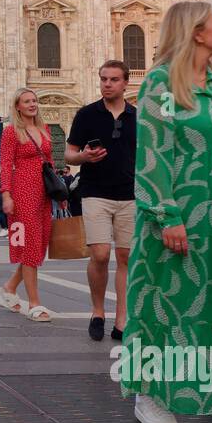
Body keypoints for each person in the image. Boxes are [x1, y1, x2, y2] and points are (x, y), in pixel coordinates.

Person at [119, 2, 212, 423]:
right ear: (196, 32)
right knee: (167, 309)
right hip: (180, 217)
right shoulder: (163, 83)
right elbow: (154, 149)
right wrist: (167, 213)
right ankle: (150, 394)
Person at [65, 61, 137, 342]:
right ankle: (97, 311)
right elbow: (69, 155)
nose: (107, 84)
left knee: (126, 257)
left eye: (113, 80)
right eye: (103, 79)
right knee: (100, 254)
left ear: (124, 84)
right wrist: (83, 157)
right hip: (95, 191)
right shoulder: (86, 114)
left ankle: (122, 320)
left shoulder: (137, 116)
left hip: (129, 194)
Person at [0, 88, 54, 321]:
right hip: (23, 192)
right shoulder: (11, 132)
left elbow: (49, 161)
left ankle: (10, 287)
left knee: (39, 246)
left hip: (44, 192)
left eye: (35, 101)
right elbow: (5, 164)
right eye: (27, 101)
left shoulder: (45, 129)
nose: (32, 104)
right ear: (18, 106)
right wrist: (6, 195)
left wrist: (58, 192)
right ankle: (35, 303)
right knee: (30, 247)